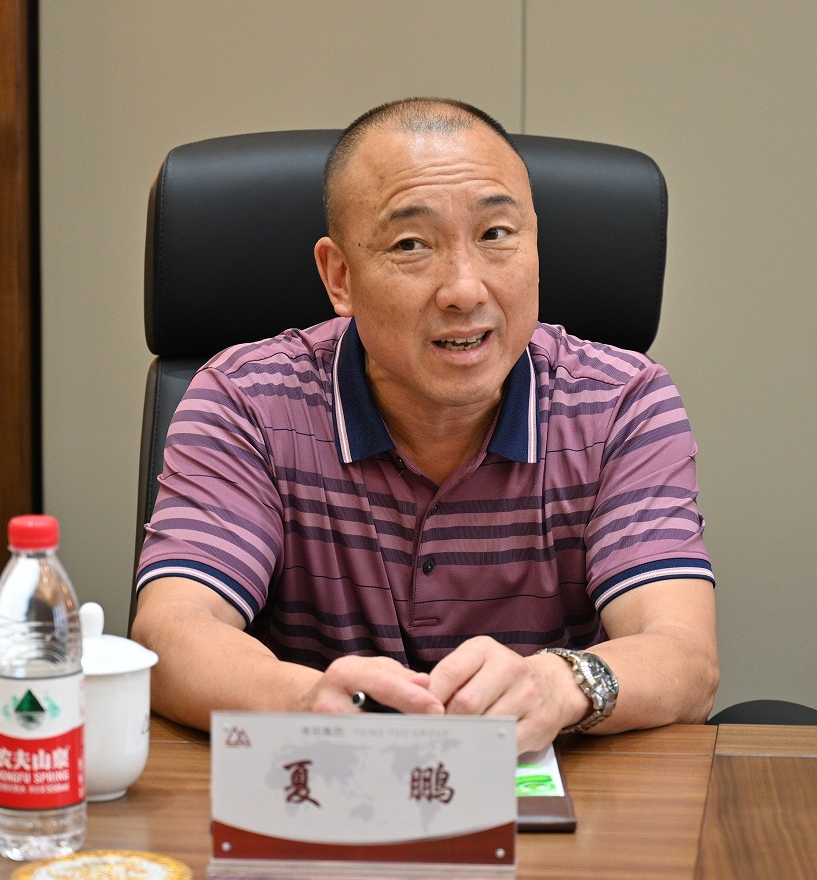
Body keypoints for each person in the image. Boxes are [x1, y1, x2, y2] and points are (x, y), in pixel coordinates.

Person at [132, 98, 719, 751]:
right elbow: (171, 631)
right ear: (340, 276)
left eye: (496, 235)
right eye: (411, 244)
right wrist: (305, 701)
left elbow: (685, 657)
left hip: (556, 794)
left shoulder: (622, 404)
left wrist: (561, 685)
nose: (464, 290)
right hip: (321, 785)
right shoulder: (246, 402)